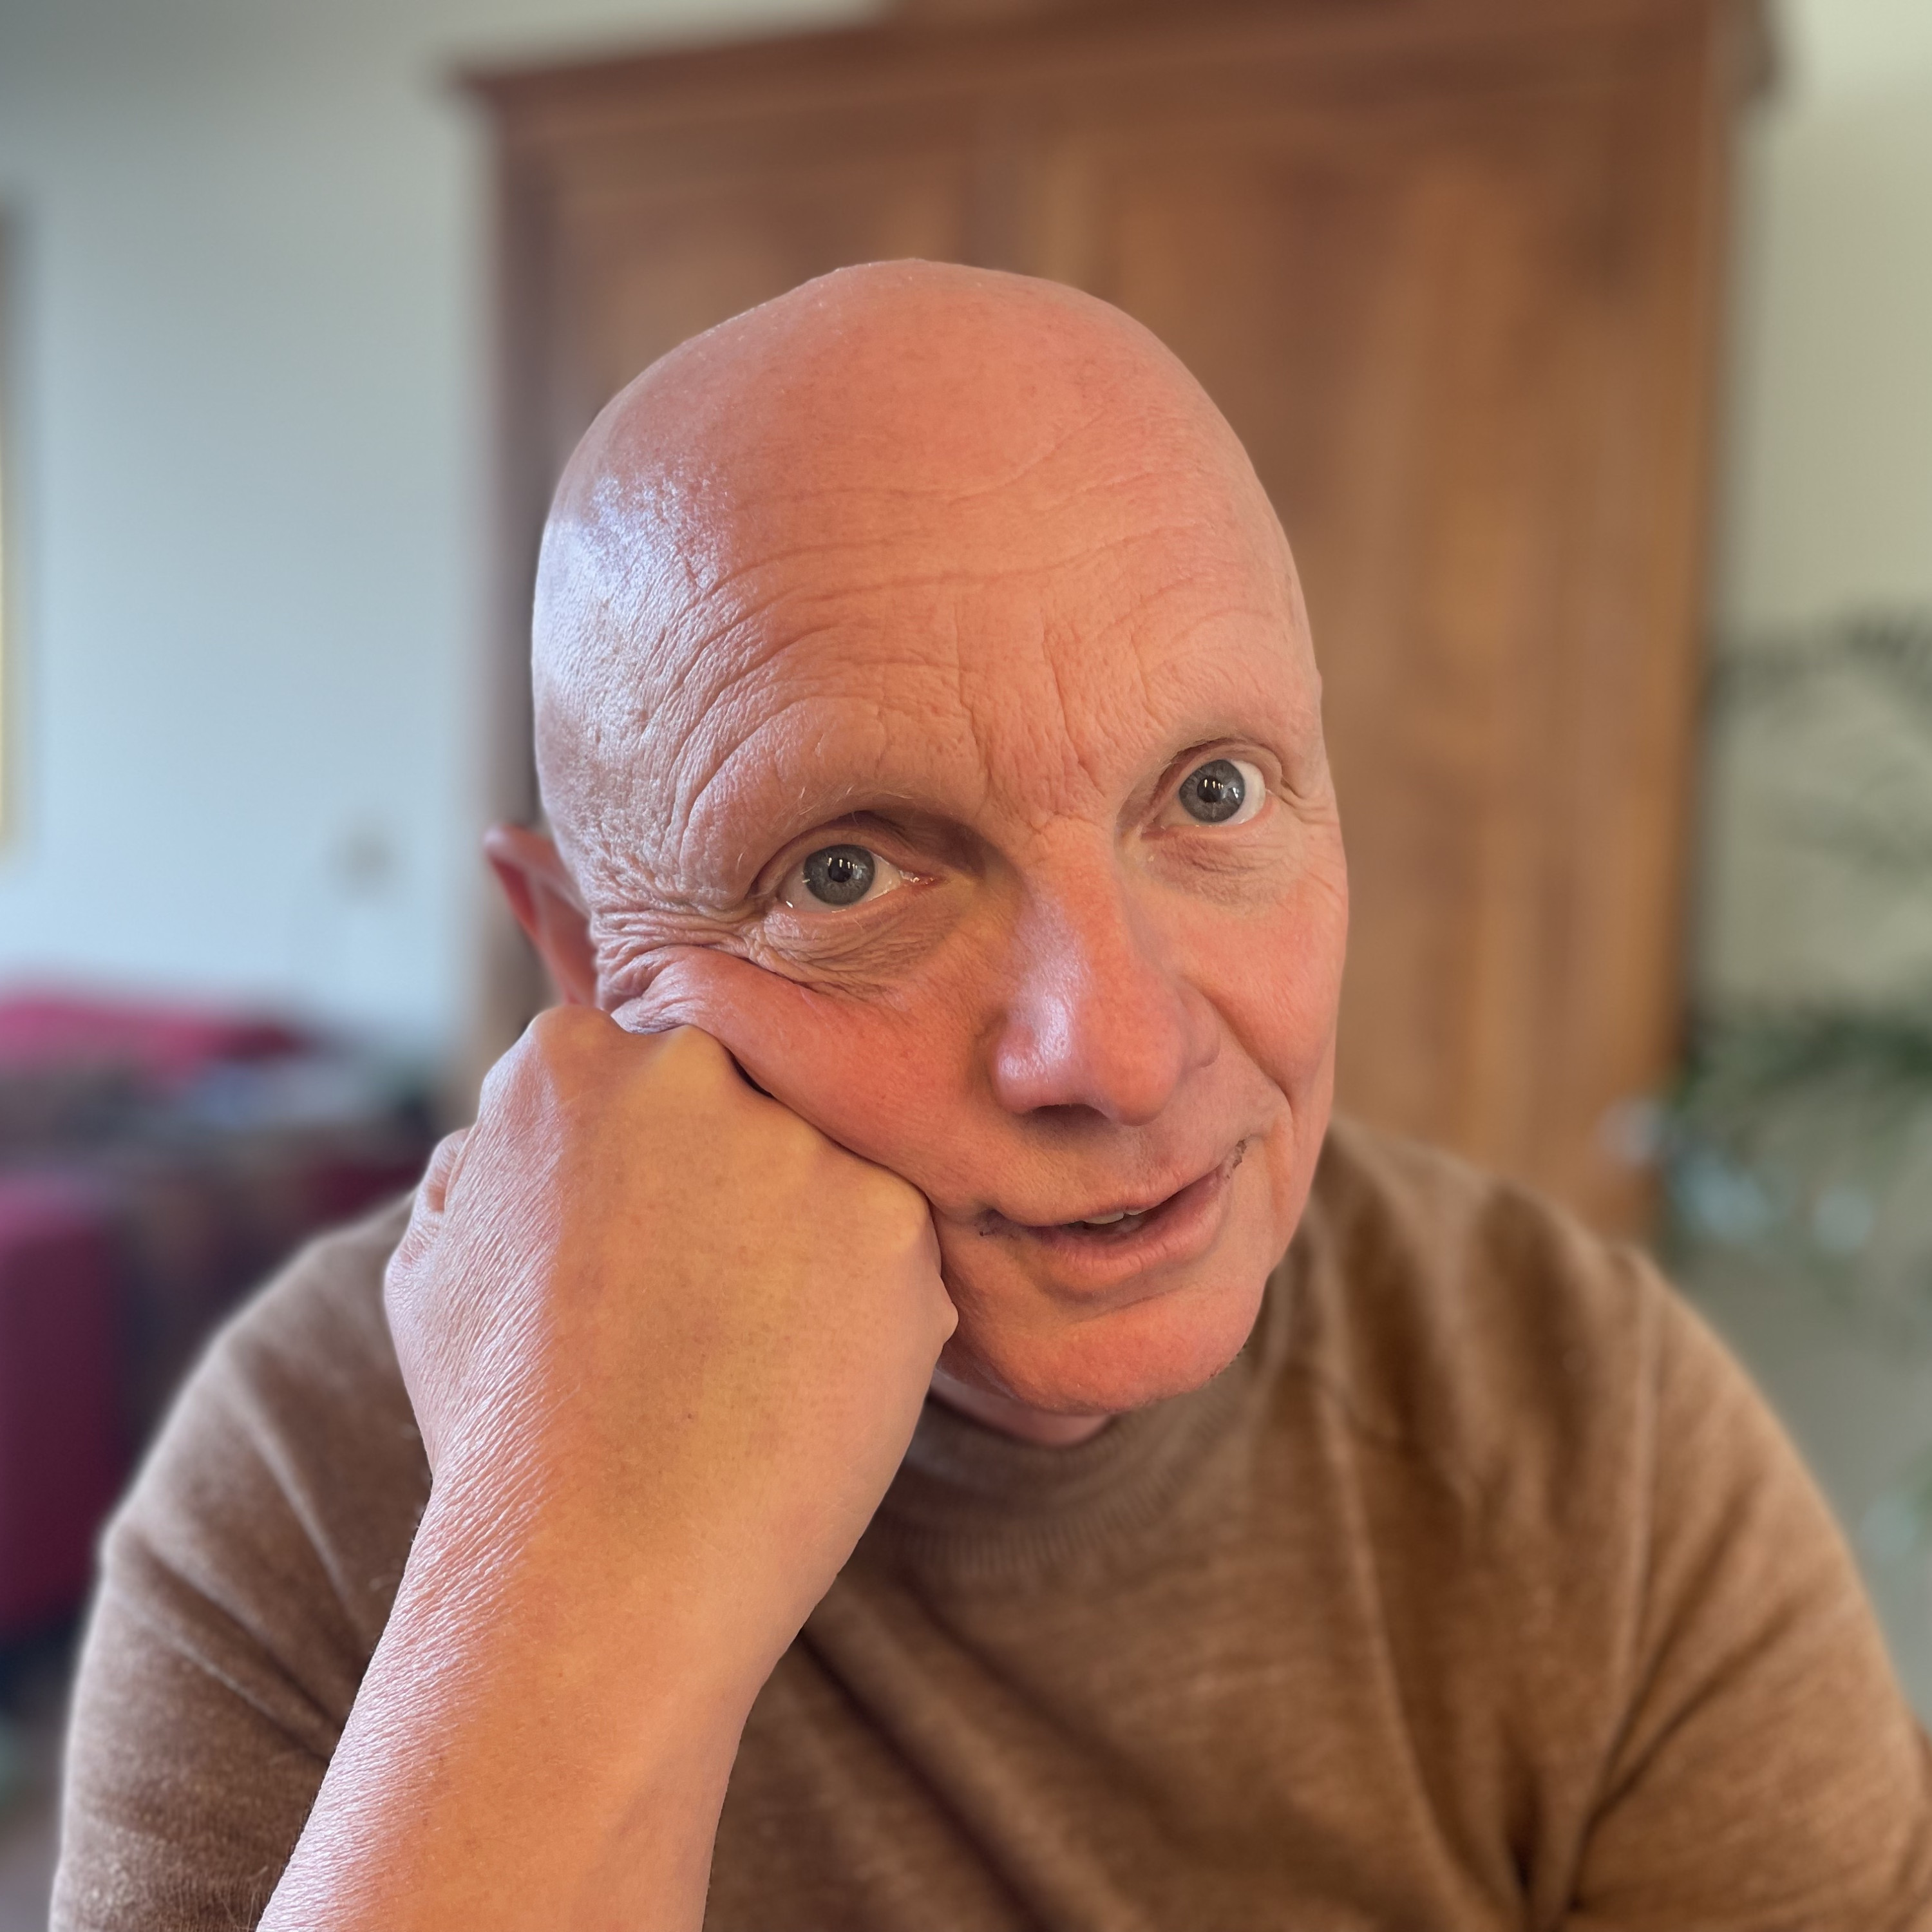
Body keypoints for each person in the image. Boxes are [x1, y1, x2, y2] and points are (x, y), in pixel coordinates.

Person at [51, 261, 1932, 1931]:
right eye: (847, 873)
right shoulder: (309, 1485)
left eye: (1211, 794)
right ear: (579, 957)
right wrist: (558, 1582)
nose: (1116, 1055)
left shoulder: (1583, 1427)